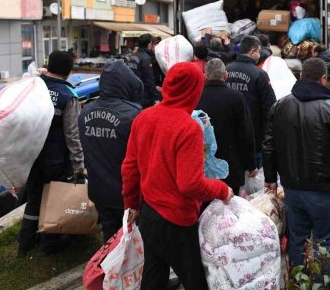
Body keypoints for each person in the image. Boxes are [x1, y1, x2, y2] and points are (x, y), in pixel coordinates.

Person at [122, 62, 233, 290]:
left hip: (149, 212)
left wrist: (131, 204)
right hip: (176, 220)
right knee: (194, 281)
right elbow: (190, 183)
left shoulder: (144, 117)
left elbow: (130, 167)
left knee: (154, 276)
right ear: (194, 89)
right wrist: (222, 190)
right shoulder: (188, 127)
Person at [263, 58, 330, 272]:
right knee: (326, 245)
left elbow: (269, 145)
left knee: (297, 239)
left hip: (292, 189)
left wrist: (270, 178)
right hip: (325, 191)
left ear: (301, 76)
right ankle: (323, 285)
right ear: (323, 79)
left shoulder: (280, 105)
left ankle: (298, 281)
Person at [17, 51, 85, 257]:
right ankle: (49, 245)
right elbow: (72, 135)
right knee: (53, 201)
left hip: (32, 156)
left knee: (34, 199)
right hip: (55, 160)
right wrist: (79, 164)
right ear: (68, 71)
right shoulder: (68, 96)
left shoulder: (35, 87)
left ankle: (24, 244)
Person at [78, 61, 143, 241]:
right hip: (126, 193)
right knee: (132, 241)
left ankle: (108, 268)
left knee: (109, 241)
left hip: (99, 190)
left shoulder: (85, 113)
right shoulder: (134, 115)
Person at [197, 59, 257, 193]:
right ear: (225, 75)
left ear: (205, 75)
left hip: (202, 164)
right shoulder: (237, 98)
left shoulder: (197, 97)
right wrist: (251, 164)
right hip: (231, 165)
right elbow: (246, 133)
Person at [226, 35, 276, 166]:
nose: (259, 54)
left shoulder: (226, 70)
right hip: (253, 136)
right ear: (252, 51)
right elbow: (270, 106)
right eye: (258, 51)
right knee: (253, 177)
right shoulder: (259, 74)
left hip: (229, 134)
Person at [128, 33, 162, 108]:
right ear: (149, 44)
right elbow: (149, 81)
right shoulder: (146, 59)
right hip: (144, 99)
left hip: (132, 96)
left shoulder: (132, 57)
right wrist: (156, 98)